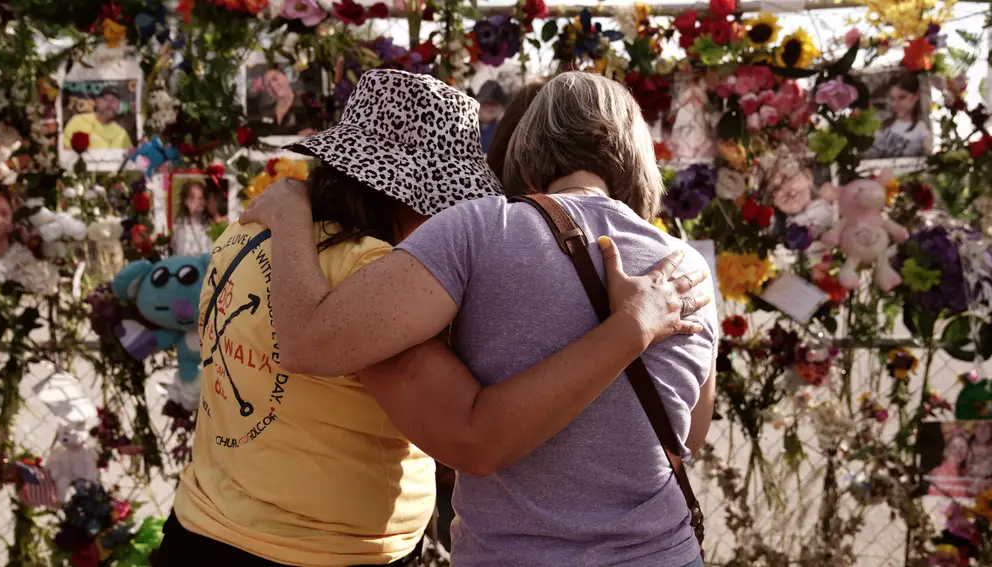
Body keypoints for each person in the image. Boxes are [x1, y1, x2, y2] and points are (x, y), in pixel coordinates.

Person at [157, 69, 709, 567]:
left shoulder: (249, 234)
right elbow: (476, 437)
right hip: (318, 553)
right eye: (442, 198)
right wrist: (627, 331)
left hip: (205, 521)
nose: (446, 213)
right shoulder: (685, 268)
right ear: (404, 193)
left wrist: (288, 210)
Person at [866, 74, 931, 159]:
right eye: (892, 99)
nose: (895, 104)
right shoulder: (883, 124)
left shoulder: (922, 131)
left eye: (902, 97)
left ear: (916, 96)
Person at [62, 86, 133, 150]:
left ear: (118, 106)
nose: (110, 104)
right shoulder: (78, 120)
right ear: (97, 101)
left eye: (114, 101)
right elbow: (64, 148)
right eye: (106, 99)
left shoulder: (122, 134)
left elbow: (131, 156)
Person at [251, 67, 316, 137]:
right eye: (268, 85)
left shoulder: (307, 106)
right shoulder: (263, 113)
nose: (273, 85)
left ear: (286, 77)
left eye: (275, 79)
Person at [171, 180, 212, 257]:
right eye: (193, 198)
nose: (198, 201)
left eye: (201, 197)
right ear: (185, 201)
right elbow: (179, 253)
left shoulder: (209, 225)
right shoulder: (180, 225)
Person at [928, 433, 972, 498]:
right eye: (954, 447)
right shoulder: (940, 474)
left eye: (962, 447)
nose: (958, 451)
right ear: (946, 451)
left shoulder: (964, 473)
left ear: (968, 452)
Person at [475, 80, 509, 154]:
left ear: (502, 107)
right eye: (484, 103)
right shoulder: (467, 125)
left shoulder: (504, 129)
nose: (489, 107)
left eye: (493, 104)